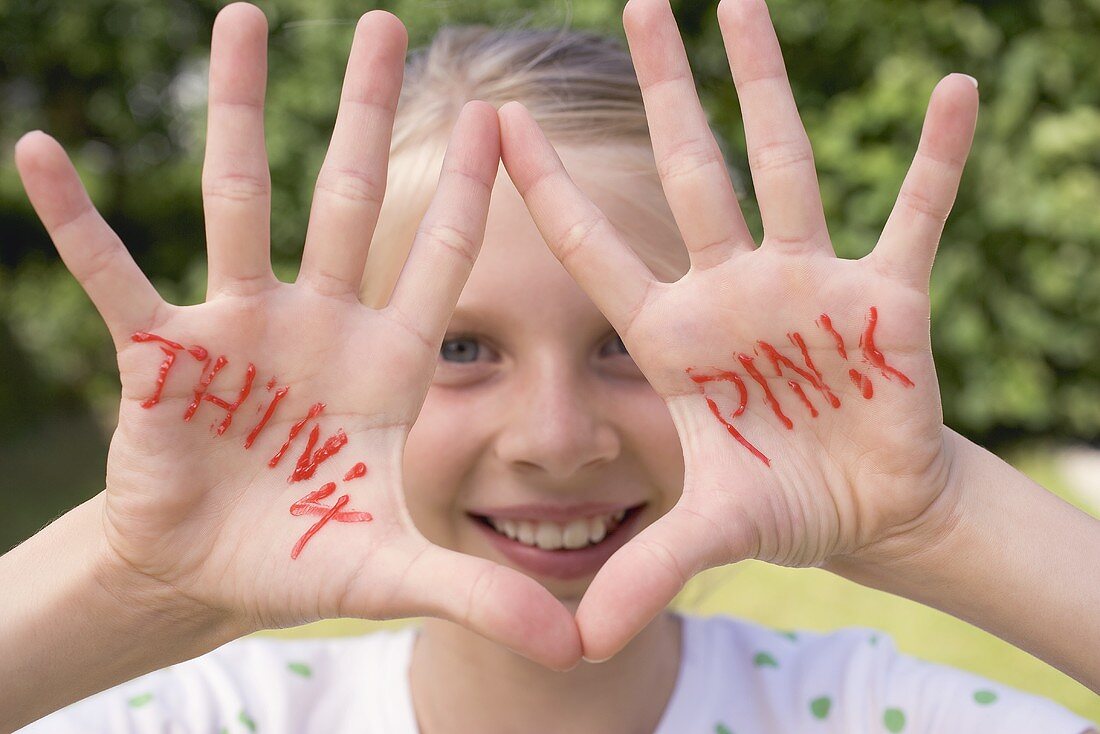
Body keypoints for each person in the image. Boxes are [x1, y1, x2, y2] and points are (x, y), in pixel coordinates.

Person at [3, 0, 1098, 731]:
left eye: (624, 340)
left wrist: (939, 514)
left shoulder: (864, 712)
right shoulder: (215, 717)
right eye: (461, 348)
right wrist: (127, 581)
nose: (556, 436)